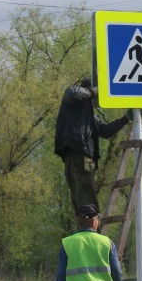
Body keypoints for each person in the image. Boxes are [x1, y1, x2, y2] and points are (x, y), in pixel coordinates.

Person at [54, 77, 132, 212]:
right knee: (82, 198)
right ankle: (89, 227)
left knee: (83, 196)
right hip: (78, 155)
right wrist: (95, 90)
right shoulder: (72, 98)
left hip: (83, 157)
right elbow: (72, 94)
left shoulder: (90, 117)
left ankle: (88, 226)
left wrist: (125, 119)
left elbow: (106, 131)